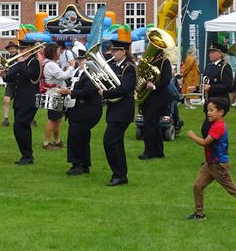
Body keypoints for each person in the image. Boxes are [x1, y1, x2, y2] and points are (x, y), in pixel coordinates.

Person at [187, 97, 236, 222]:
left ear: (221, 112)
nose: (208, 113)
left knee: (232, 189)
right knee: (198, 186)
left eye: (211, 110)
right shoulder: (215, 125)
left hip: (219, 165)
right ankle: (199, 214)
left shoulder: (218, 126)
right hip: (210, 164)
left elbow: (205, 142)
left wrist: (192, 136)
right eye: (208, 110)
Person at [57, 49, 102, 175]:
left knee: (75, 136)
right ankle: (84, 164)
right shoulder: (78, 72)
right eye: (79, 60)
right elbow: (74, 87)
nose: (79, 62)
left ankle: (77, 164)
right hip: (78, 109)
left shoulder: (91, 73)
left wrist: (70, 92)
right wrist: (65, 91)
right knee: (82, 137)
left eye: (82, 60)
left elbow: (88, 92)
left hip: (87, 110)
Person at [100, 40, 136, 186]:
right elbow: (111, 83)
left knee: (109, 141)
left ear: (124, 52)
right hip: (114, 109)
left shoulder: (129, 68)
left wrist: (105, 93)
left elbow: (124, 88)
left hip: (123, 109)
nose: (112, 53)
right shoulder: (114, 66)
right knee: (117, 142)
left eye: (116, 51)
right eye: (112, 51)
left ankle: (119, 174)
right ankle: (121, 174)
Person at [3, 39, 41, 165]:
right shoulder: (22, 62)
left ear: (30, 49)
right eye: (21, 49)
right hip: (20, 99)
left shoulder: (34, 62)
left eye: (23, 49)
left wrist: (22, 63)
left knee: (20, 126)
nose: (21, 51)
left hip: (29, 100)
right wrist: (4, 74)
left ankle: (27, 156)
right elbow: (11, 76)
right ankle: (27, 155)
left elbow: (28, 75)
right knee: (21, 127)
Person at [138, 44, 173, 160]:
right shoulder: (149, 62)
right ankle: (158, 151)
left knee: (149, 123)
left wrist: (154, 86)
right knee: (154, 124)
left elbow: (166, 79)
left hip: (159, 97)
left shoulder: (165, 62)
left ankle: (149, 151)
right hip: (148, 98)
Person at [41, 42, 75, 149]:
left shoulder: (51, 63)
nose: (59, 52)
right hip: (54, 94)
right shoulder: (51, 64)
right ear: (53, 52)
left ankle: (57, 140)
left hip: (56, 93)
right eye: (57, 51)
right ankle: (46, 143)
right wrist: (71, 67)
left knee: (58, 119)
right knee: (52, 119)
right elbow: (62, 76)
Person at [1, 41, 19, 126]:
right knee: (6, 100)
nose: (12, 50)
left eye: (13, 48)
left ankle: (31, 119)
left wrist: (8, 71)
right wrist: (3, 74)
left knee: (22, 103)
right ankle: (6, 120)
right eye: (10, 49)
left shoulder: (20, 58)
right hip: (11, 83)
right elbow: (6, 77)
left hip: (19, 83)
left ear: (16, 49)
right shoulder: (6, 60)